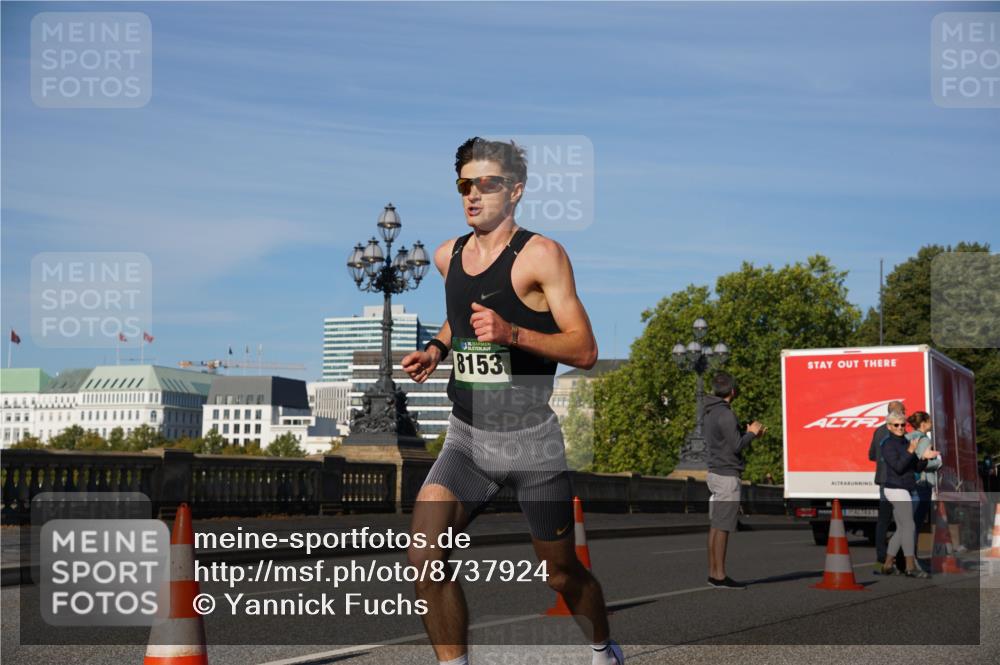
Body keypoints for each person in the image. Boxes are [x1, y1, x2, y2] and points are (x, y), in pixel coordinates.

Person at [402, 137, 623, 665]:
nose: (473, 195)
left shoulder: (541, 255)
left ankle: (603, 648)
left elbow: (586, 348)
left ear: (515, 190)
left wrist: (512, 334)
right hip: (468, 437)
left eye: (486, 183)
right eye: (464, 184)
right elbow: (463, 312)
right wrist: (438, 346)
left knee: (560, 572)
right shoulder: (447, 255)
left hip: (531, 443)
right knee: (425, 558)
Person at [703, 371, 764, 589]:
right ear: (733, 391)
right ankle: (719, 575)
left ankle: (713, 573)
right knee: (724, 527)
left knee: (716, 526)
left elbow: (725, 439)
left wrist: (744, 433)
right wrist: (753, 433)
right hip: (727, 475)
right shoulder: (726, 414)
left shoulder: (710, 411)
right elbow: (736, 445)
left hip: (715, 472)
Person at [880, 412, 940, 577]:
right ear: (889, 427)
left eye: (902, 425)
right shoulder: (888, 444)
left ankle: (887, 564)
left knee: (902, 529)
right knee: (910, 526)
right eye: (896, 425)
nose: (900, 428)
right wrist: (911, 451)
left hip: (906, 488)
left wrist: (925, 458)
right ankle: (910, 567)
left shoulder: (906, 441)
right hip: (895, 489)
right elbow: (898, 467)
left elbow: (916, 468)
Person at [869, 401, 905, 571]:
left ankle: (882, 556)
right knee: (901, 520)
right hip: (897, 480)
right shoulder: (898, 432)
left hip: (883, 480)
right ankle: (899, 558)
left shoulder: (878, 431)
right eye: (903, 411)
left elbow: (871, 455)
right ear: (896, 412)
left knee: (883, 520)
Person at [906, 411, 940, 564]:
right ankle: (911, 557)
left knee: (908, 521)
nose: (932, 423)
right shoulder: (924, 439)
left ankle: (906, 555)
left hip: (909, 483)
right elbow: (924, 462)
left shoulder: (907, 437)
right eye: (929, 420)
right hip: (923, 482)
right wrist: (939, 462)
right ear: (924, 423)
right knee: (917, 522)